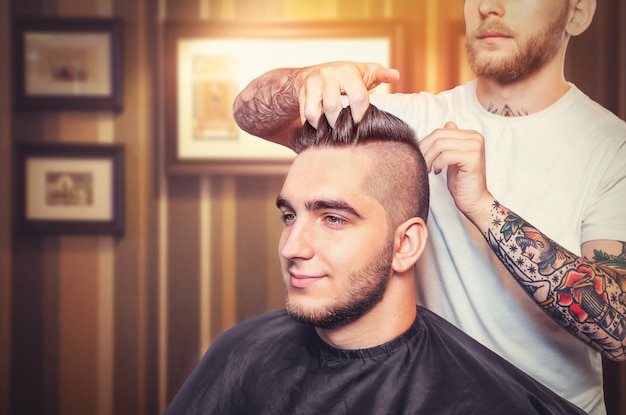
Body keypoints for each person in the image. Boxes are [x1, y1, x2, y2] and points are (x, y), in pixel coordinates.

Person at [231, 1, 626, 414]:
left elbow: (618, 331)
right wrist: (303, 82)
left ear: (578, 13)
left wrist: (483, 207)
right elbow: (250, 114)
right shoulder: (407, 122)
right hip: (431, 399)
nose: (490, 7)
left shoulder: (612, 150)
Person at [164, 106, 586, 415]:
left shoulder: (488, 400)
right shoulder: (239, 353)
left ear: (405, 245)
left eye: (332, 218)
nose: (293, 246)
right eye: (289, 216)